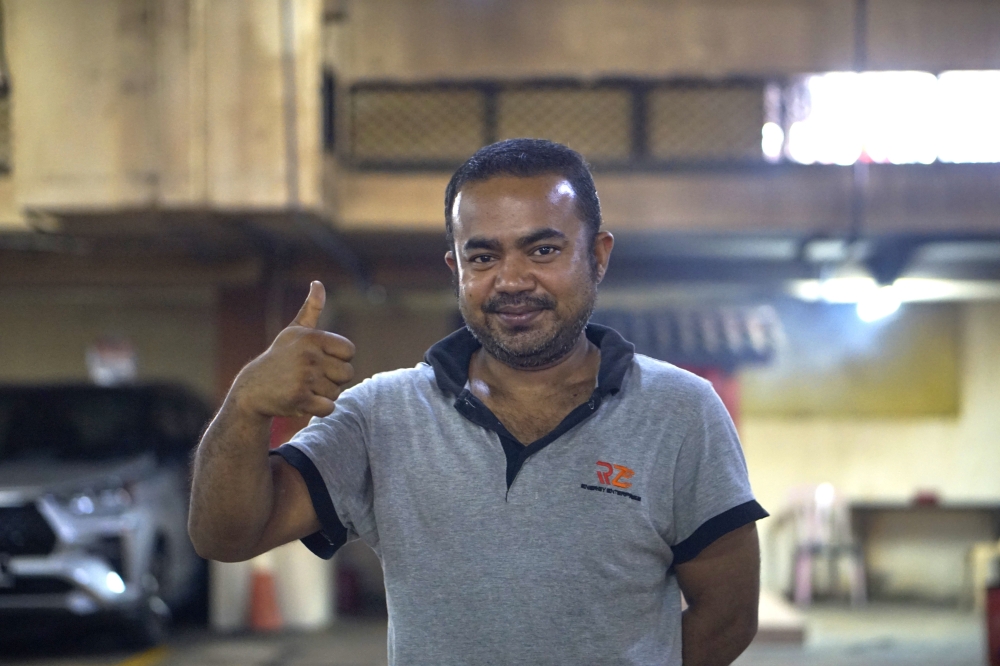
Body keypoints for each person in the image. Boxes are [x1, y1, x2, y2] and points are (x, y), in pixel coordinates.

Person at [189, 138, 768, 666]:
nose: (511, 280)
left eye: (542, 250)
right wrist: (245, 407)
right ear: (456, 268)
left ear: (597, 256)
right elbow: (227, 536)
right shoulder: (381, 416)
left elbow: (728, 616)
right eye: (484, 257)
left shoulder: (680, 411)